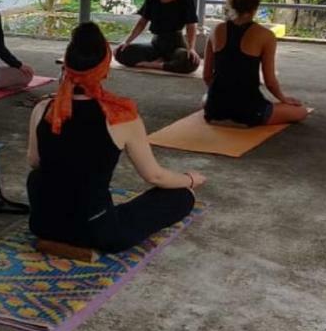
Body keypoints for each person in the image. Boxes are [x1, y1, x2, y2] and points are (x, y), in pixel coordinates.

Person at [27, 22, 202, 253]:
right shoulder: (120, 117)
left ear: (67, 65)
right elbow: (155, 175)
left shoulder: (44, 108)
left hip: (43, 224)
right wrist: (189, 179)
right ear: (104, 67)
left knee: (40, 177)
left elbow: (35, 162)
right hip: (97, 232)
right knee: (181, 196)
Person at [203, 0, 309, 126]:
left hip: (214, 110)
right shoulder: (266, 36)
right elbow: (270, 82)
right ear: (256, 5)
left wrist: (222, 97)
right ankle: (237, 114)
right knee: (301, 111)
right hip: (249, 111)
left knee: (206, 98)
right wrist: (284, 99)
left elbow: (207, 76)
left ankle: (222, 109)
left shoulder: (216, 30)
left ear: (232, 2)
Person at [115, 0, 201, 74]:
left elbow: (191, 25)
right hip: (156, 45)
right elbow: (142, 22)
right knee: (121, 52)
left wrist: (191, 48)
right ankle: (163, 63)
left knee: (191, 61)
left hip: (175, 46)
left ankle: (157, 65)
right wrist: (126, 42)